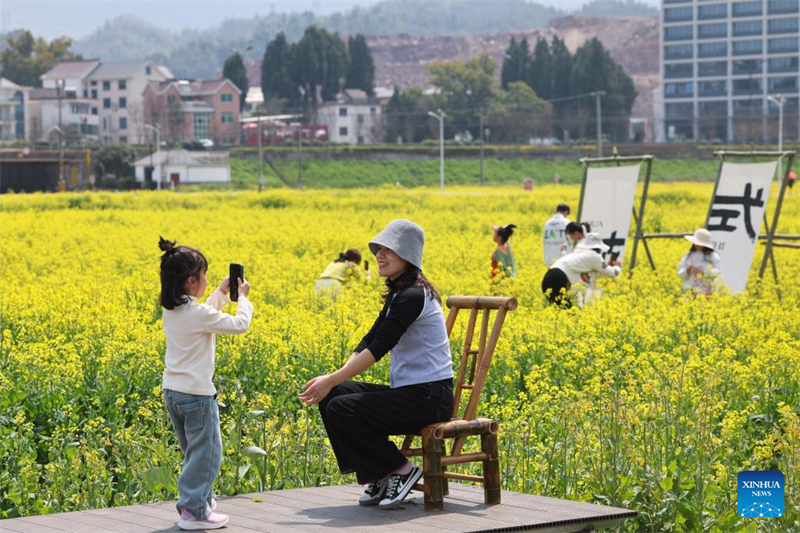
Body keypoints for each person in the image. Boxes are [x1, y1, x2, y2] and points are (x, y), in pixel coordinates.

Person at [300, 219, 453, 510]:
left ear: (407, 255)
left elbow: (379, 348)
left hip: (430, 397)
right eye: (379, 249)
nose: (379, 255)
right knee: (335, 395)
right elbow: (369, 338)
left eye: (388, 250)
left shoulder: (412, 295)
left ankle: (401, 470)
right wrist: (333, 380)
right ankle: (380, 474)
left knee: (340, 405)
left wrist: (331, 379)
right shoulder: (399, 292)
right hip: (412, 394)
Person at [158, 237, 254, 531]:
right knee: (208, 453)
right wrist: (244, 299)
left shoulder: (174, 310)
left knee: (194, 451)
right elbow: (240, 325)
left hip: (173, 393)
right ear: (190, 281)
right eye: (205, 276)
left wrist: (221, 292)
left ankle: (200, 499)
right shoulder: (197, 315)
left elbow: (203, 315)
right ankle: (194, 511)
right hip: (197, 396)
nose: (208, 279)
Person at [541, 232, 621, 308]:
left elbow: (588, 277)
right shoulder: (594, 256)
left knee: (561, 310)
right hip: (558, 279)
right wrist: (617, 266)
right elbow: (612, 273)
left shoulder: (580, 254)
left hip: (548, 278)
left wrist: (606, 265)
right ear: (599, 248)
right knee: (567, 312)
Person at [678, 228, 721, 296]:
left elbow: (718, 271)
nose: (697, 245)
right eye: (696, 243)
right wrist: (687, 270)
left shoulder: (713, 256)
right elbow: (680, 273)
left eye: (700, 243)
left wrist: (704, 271)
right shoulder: (689, 255)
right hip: (689, 292)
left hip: (706, 291)